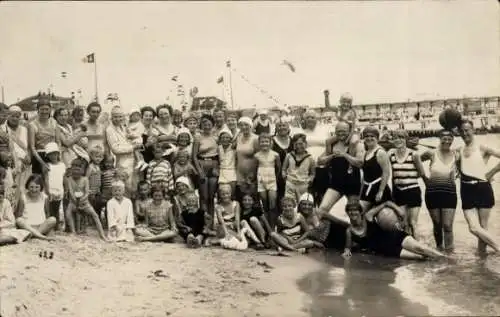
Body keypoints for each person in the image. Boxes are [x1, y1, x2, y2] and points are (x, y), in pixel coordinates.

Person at [342, 201, 448, 260]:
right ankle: (438, 268)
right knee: (419, 257)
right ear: (347, 213)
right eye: (350, 211)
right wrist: (348, 254)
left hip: (394, 236)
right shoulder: (349, 231)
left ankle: (446, 259)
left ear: (360, 212)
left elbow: (386, 203)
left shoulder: (368, 216)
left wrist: (398, 210)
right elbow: (348, 248)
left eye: (355, 210)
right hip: (386, 250)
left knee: (420, 248)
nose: (353, 213)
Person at [457, 120, 500, 255]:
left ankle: (482, 261)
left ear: (473, 130)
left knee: (483, 228)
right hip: (466, 190)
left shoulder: (482, 147)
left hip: (483, 188)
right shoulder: (459, 150)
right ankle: (498, 248)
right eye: (462, 131)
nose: (465, 133)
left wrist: (492, 172)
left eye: (467, 130)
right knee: (473, 228)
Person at [418, 130, 458, 252]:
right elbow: (415, 160)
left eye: (449, 138)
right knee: (437, 225)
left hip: (450, 193)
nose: (446, 140)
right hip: (432, 193)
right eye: (444, 138)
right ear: (439, 139)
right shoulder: (431, 153)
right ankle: (439, 249)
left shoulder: (457, 154)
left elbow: (465, 167)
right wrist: (424, 178)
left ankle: (450, 252)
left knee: (447, 226)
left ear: (452, 140)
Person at [317, 121, 364, 218]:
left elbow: (360, 163)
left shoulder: (357, 144)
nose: (341, 134)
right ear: (335, 132)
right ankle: (324, 230)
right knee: (322, 210)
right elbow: (320, 161)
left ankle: (355, 231)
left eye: (344, 131)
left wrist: (345, 155)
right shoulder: (333, 145)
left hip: (352, 184)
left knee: (355, 213)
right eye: (338, 131)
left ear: (349, 131)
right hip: (336, 184)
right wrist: (332, 155)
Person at [387, 129, 424, 238]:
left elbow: (421, 173)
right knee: (402, 223)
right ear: (393, 140)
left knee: (413, 223)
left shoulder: (414, 154)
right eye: (396, 138)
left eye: (401, 137)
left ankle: (418, 245)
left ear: (406, 139)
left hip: (413, 191)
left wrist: (409, 177)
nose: (398, 140)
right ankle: (407, 245)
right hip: (399, 192)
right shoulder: (391, 154)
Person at [64, 158, 108, 240]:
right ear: (71, 169)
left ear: (82, 170)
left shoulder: (85, 179)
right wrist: (76, 203)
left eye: (78, 169)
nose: (76, 172)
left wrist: (81, 201)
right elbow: (70, 192)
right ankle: (73, 231)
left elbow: (87, 192)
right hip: (73, 202)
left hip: (84, 202)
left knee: (95, 215)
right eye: (74, 169)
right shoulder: (69, 179)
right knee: (68, 212)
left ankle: (102, 234)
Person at [106, 106, 142, 195]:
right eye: (116, 117)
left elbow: (135, 136)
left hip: (133, 161)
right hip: (123, 162)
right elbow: (115, 149)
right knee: (126, 188)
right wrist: (133, 148)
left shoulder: (124, 126)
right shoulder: (109, 130)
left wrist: (136, 141)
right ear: (112, 117)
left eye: (120, 116)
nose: (118, 119)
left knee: (135, 188)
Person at [359, 126, 392, 212]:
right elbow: (365, 174)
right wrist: (361, 190)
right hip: (367, 188)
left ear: (377, 138)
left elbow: (386, 173)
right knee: (360, 213)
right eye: (366, 136)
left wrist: (381, 191)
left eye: (372, 136)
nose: (369, 138)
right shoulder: (366, 153)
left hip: (379, 188)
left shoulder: (380, 152)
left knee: (383, 219)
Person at [192, 114, 219, 220]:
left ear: (212, 124)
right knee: (203, 196)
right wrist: (200, 171)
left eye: (208, 124)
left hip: (213, 165)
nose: (206, 126)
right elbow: (194, 156)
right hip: (202, 165)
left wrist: (217, 168)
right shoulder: (198, 137)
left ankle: (211, 222)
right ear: (201, 125)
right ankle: (204, 223)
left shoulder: (216, 137)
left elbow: (220, 154)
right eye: (204, 124)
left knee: (211, 197)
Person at [15, 174, 57, 241]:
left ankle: (33, 235)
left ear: (40, 187)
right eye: (31, 187)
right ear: (27, 186)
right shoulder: (23, 197)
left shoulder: (45, 197)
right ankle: (41, 236)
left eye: (37, 187)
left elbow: (47, 214)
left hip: (41, 226)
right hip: (27, 226)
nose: (34, 190)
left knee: (53, 219)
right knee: (19, 220)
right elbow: (18, 215)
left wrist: (48, 227)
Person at [254, 133, 281, 228]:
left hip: (272, 181)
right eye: (262, 142)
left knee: (272, 203)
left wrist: (276, 179)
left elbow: (279, 169)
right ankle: (267, 226)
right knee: (264, 204)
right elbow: (255, 168)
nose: (264, 143)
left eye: (266, 141)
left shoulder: (275, 154)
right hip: (261, 181)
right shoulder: (257, 155)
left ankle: (273, 226)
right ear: (259, 143)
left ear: (270, 142)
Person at [28, 98, 60, 175]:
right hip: (39, 156)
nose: (44, 112)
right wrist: (43, 163)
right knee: (38, 183)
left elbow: (58, 141)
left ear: (50, 110)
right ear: (38, 110)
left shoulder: (54, 122)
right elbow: (32, 147)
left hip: (53, 155)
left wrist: (58, 157)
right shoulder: (33, 125)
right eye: (42, 109)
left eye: (47, 109)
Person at [282, 134, 315, 198]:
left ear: (305, 143)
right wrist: (284, 176)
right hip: (290, 183)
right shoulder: (289, 155)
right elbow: (284, 169)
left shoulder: (310, 158)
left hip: (303, 185)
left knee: (301, 203)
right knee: (289, 203)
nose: (298, 146)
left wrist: (310, 180)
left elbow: (312, 173)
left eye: (301, 144)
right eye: (296, 144)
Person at [235, 117, 259, 197]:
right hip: (239, 173)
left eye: (246, 125)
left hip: (251, 174)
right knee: (242, 197)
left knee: (251, 197)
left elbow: (258, 157)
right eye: (241, 125)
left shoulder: (255, 138)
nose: (243, 127)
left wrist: (253, 173)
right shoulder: (238, 137)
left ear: (250, 126)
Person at [44, 142, 66, 230]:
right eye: (50, 154)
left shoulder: (62, 165)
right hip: (50, 190)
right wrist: (48, 191)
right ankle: (51, 227)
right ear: (48, 156)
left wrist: (66, 189)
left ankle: (59, 227)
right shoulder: (47, 166)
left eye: (54, 154)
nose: (53, 156)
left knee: (59, 209)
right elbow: (45, 179)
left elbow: (64, 179)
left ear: (58, 154)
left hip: (60, 189)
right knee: (50, 209)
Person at [272, 120, 292, 200]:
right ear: (276, 128)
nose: (282, 128)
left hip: (291, 175)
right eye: (279, 126)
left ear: (288, 127)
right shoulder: (271, 141)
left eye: (284, 125)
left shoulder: (293, 140)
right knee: (279, 198)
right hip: (276, 175)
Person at [218, 128, 237, 195]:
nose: (225, 139)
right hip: (222, 172)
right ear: (220, 139)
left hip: (232, 172)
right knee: (222, 194)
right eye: (223, 137)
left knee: (232, 194)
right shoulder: (218, 148)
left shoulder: (234, 147)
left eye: (227, 137)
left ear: (230, 139)